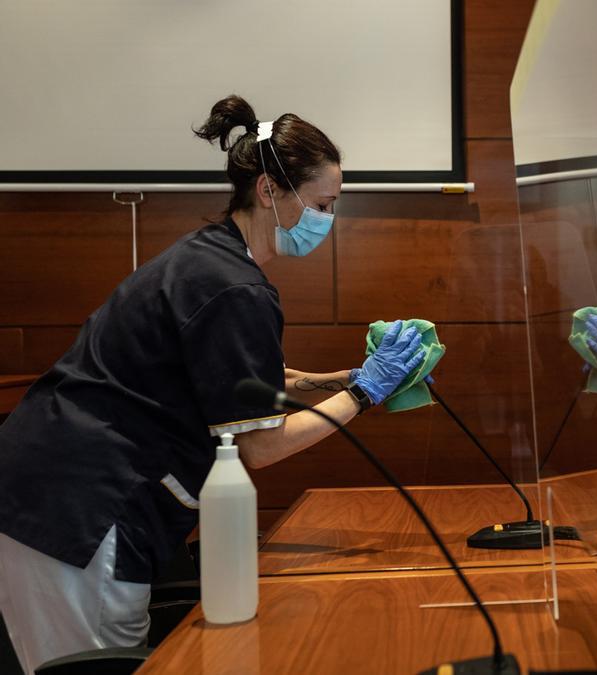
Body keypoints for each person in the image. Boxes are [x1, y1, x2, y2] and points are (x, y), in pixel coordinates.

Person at [0, 95, 424, 674]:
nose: (329, 218)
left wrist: (329, 379)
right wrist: (364, 393)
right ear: (270, 190)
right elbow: (263, 444)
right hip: (83, 511)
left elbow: (224, 373)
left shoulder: (210, 259)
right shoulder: (234, 287)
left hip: (50, 491)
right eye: (324, 203)